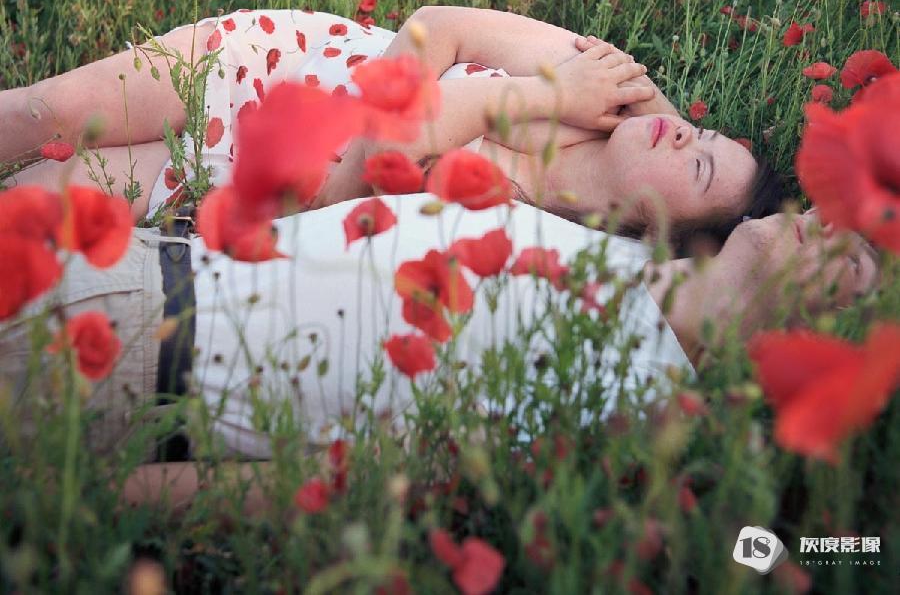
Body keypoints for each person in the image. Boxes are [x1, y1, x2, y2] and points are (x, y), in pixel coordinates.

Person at [0, 191, 880, 514]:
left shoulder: (630, 407)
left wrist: (90, 503)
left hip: (118, 357)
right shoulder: (622, 254)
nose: (834, 223)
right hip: (123, 257)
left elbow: (352, 479)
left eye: (859, 264)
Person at [0, 6, 782, 250]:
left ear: (661, 232)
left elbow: (376, 166)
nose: (686, 135)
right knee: (43, 113)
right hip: (270, 68)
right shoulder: (597, 87)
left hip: (241, 180)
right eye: (702, 132)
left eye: (701, 166)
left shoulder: (547, 243)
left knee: (30, 207)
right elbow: (435, 25)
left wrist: (519, 98)